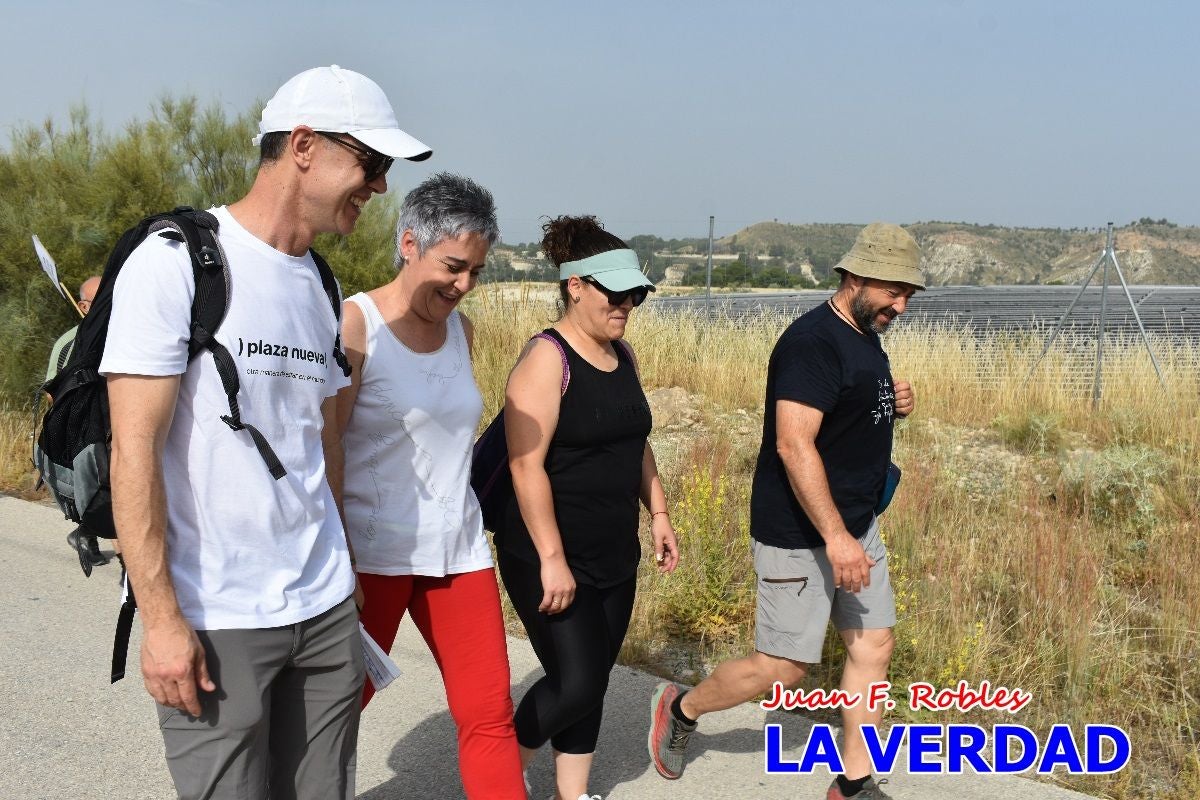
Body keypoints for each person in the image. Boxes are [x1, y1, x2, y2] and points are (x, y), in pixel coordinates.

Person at [101, 65, 432, 799]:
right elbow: (134, 453)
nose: (381, 185)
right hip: (215, 616)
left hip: (324, 609)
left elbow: (323, 442)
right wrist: (161, 620)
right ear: (304, 146)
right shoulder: (176, 261)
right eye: (371, 163)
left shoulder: (322, 283)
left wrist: (344, 575)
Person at [648, 223, 925, 800]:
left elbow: (840, 411)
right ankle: (683, 708)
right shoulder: (811, 343)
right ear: (855, 277)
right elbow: (793, 444)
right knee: (782, 668)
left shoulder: (864, 333)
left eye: (908, 294)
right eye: (893, 291)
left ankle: (853, 784)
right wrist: (837, 538)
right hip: (801, 533)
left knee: (873, 645)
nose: (900, 306)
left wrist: (890, 402)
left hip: (856, 524)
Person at [331, 172, 526, 798]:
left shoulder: (462, 334)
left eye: (475, 272)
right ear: (409, 243)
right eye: (453, 267)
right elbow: (326, 445)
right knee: (331, 717)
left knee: (489, 714)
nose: (463, 285)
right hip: (371, 556)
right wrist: (337, 557)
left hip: (458, 552)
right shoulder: (354, 324)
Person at [495, 215, 680, 800]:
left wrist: (659, 513)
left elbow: (635, 441)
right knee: (575, 683)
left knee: (592, 678)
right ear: (575, 286)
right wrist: (553, 560)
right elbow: (525, 464)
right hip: (548, 553)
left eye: (635, 295)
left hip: (614, 551)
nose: (626, 305)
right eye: (615, 293)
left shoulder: (623, 356)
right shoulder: (547, 359)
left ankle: (571, 795)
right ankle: (497, 778)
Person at [47, 275, 109, 574]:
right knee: (97, 489)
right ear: (84, 307)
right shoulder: (68, 343)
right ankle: (90, 534)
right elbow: (52, 392)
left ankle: (87, 532)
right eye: (102, 300)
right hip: (82, 429)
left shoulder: (123, 334)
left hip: (116, 426)